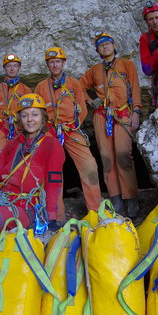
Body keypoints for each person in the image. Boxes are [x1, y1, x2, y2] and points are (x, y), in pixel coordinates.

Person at [0, 94, 65, 239]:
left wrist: (50, 215)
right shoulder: (14, 144)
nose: (30, 119)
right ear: (19, 119)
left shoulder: (51, 145)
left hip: (26, 208)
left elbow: (54, 182)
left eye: (35, 115)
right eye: (25, 115)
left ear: (43, 118)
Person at [80, 32, 142, 217]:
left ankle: (131, 198)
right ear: (98, 50)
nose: (105, 47)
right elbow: (78, 86)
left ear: (114, 46)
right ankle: (116, 199)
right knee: (107, 159)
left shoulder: (126, 65)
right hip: (102, 116)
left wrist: (136, 111)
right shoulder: (94, 71)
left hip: (122, 114)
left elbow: (136, 87)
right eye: (101, 45)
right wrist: (90, 101)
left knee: (123, 156)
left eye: (108, 43)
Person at [35, 47, 102, 218]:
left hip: (71, 129)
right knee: (53, 170)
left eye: (58, 61)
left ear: (63, 63)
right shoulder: (41, 87)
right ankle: (56, 215)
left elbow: (83, 108)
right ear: (47, 64)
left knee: (89, 165)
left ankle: (95, 211)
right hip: (50, 131)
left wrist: (74, 124)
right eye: (51, 62)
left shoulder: (74, 83)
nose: (55, 65)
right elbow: (37, 113)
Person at [0, 53, 32, 148]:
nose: (12, 69)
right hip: (1, 128)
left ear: (19, 68)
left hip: (19, 128)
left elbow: (30, 112)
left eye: (15, 66)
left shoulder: (25, 90)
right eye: (9, 66)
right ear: (4, 68)